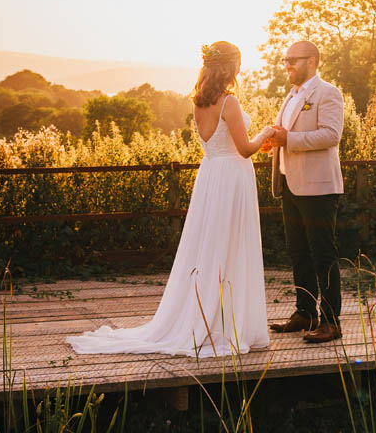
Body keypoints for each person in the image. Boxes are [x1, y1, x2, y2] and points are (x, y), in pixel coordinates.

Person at [67, 41, 275, 358]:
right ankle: (224, 324)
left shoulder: (200, 103)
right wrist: (267, 133)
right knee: (230, 245)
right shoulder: (228, 103)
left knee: (211, 246)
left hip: (211, 176)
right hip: (231, 177)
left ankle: (209, 317)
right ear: (231, 67)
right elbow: (245, 149)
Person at [267, 41, 345, 343]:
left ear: (311, 61)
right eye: (285, 60)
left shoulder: (328, 93)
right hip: (290, 184)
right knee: (298, 253)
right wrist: (274, 137)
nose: (286, 65)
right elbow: (287, 134)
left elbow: (331, 135)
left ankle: (331, 321)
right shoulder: (291, 95)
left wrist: (289, 139)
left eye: (292, 60)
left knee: (323, 254)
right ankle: (305, 313)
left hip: (318, 188)